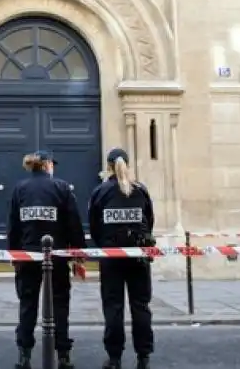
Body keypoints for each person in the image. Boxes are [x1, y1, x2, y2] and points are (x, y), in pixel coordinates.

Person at [7, 150, 86, 369]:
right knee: (60, 304)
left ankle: (24, 354)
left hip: (28, 256)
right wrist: (78, 254)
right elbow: (74, 223)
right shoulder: (61, 188)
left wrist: (13, 253)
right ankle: (63, 355)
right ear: (48, 165)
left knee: (27, 304)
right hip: (57, 258)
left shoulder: (20, 189)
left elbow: (13, 225)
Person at [88, 148, 156, 369]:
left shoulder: (101, 191)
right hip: (138, 257)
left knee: (113, 307)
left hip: (112, 257)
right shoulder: (140, 190)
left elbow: (95, 226)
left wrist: (105, 245)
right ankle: (143, 356)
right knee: (141, 306)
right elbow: (150, 221)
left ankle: (115, 358)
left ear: (108, 166)